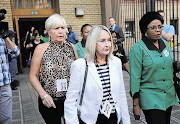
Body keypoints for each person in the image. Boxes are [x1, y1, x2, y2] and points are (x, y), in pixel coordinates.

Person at [64, 25, 130, 124]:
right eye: (102, 41)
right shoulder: (80, 65)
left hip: (113, 117)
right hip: (90, 119)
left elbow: (121, 94)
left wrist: (126, 121)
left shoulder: (115, 62)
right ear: (93, 43)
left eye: (109, 40)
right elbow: (71, 101)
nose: (107, 44)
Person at [129, 11, 179, 124]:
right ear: (145, 30)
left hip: (168, 96)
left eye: (160, 26)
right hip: (151, 98)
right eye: (153, 27)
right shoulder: (138, 48)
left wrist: (178, 64)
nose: (158, 30)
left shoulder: (165, 44)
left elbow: (168, 66)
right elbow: (135, 77)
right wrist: (136, 105)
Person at [29, 13, 78, 124]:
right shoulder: (40, 48)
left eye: (63, 28)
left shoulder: (71, 47)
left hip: (70, 101)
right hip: (49, 101)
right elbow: (33, 76)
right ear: (49, 31)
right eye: (56, 28)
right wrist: (43, 95)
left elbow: (78, 72)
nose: (61, 31)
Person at [0, 32, 20, 123]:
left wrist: (5, 37)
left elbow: (15, 52)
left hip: (4, 84)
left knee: (6, 118)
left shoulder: (2, 39)